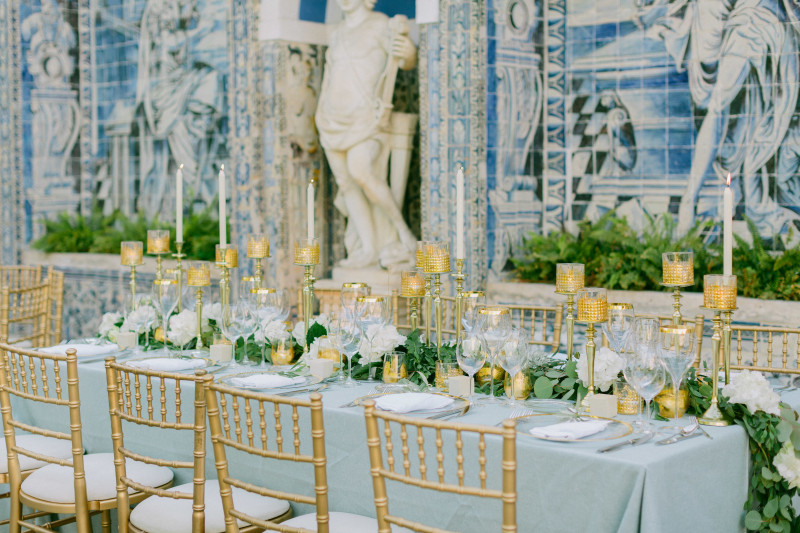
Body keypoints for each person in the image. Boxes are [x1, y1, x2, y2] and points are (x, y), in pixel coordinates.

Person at [639, 0, 799, 236]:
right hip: (724, 16)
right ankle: (712, 195)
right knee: (732, 112)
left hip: (756, 16)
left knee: (721, 105)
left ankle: (689, 201)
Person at [315, 0, 418, 268]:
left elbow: (405, 61)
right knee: (347, 184)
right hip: (331, 118)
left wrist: (409, 53)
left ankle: (402, 231)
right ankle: (368, 249)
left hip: (364, 119)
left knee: (361, 171)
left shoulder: (380, 24)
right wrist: (319, 112)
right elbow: (329, 76)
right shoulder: (337, 32)